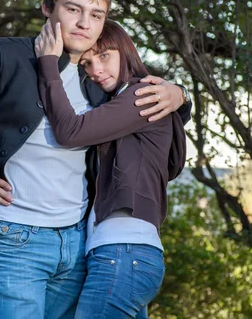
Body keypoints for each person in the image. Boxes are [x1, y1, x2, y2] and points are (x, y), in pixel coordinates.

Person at [0, 0, 191, 319]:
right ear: (47, 8)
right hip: (15, 237)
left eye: (96, 15)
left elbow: (142, 132)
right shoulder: (6, 57)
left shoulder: (99, 80)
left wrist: (181, 96)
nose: (85, 23)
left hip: (80, 243)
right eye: (73, 9)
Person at [34, 19, 186, 318]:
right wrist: (182, 95)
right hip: (125, 255)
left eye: (105, 56)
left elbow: (69, 132)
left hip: (123, 254)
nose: (96, 70)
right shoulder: (124, 101)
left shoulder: (140, 95)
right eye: (87, 63)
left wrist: (49, 63)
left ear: (126, 51)